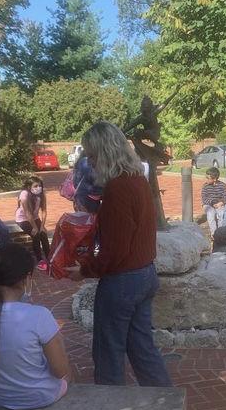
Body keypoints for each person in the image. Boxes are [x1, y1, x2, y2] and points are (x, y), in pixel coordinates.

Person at [66, 121, 173, 388]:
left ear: (105, 153)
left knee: (108, 354)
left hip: (123, 281)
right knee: (142, 349)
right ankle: (165, 404)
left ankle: (110, 409)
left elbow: (115, 250)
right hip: (145, 274)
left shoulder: (117, 188)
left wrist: (85, 270)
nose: (90, 162)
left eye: (92, 155)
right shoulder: (137, 179)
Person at [0, 244, 71, 409]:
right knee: (68, 375)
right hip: (42, 397)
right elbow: (60, 370)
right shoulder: (39, 315)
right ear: (26, 278)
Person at [15, 176, 50, 271]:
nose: (38, 188)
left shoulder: (41, 194)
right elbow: (27, 213)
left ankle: (49, 257)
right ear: (29, 187)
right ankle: (39, 260)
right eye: (35, 186)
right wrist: (35, 227)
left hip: (35, 218)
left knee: (43, 234)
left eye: (40, 186)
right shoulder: (24, 194)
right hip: (23, 219)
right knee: (36, 235)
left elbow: (44, 210)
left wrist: (42, 226)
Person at [201, 167, 226, 236]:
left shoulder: (222, 185)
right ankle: (214, 233)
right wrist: (212, 203)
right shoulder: (205, 186)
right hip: (208, 204)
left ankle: (220, 233)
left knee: (222, 214)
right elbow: (204, 198)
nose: (206, 180)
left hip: (219, 204)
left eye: (208, 178)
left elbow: (225, 197)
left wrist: (221, 203)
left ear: (214, 179)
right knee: (210, 214)